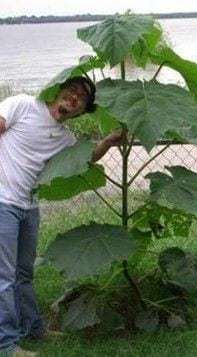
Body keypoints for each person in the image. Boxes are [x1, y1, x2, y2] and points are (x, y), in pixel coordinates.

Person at [0, 76, 123, 356]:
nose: (75, 97)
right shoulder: (23, 104)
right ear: (59, 90)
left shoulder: (66, 138)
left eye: (82, 99)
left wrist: (110, 139)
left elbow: (88, 157)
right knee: (4, 276)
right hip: (2, 201)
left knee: (23, 274)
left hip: (28, 206)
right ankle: (6, 344)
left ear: (81, 111)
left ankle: (34, 329)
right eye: (73, 90)